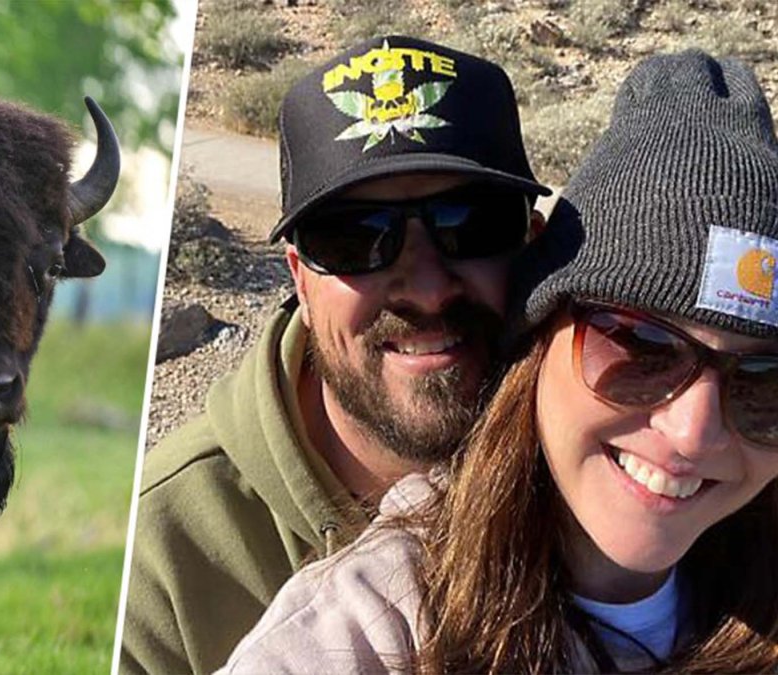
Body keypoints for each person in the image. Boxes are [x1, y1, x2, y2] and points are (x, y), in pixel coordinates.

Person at [219, 49, 778, 673]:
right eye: (640, 346)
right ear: (539, 325)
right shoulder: (367, 629)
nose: (695, 431)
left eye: (765, 383)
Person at [121, 36, 550, 674]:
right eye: (356, 239)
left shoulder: (605, 471)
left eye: (469, 224)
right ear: (299, 277)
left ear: (533, 244)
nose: (427, 288)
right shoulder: (161, 555)